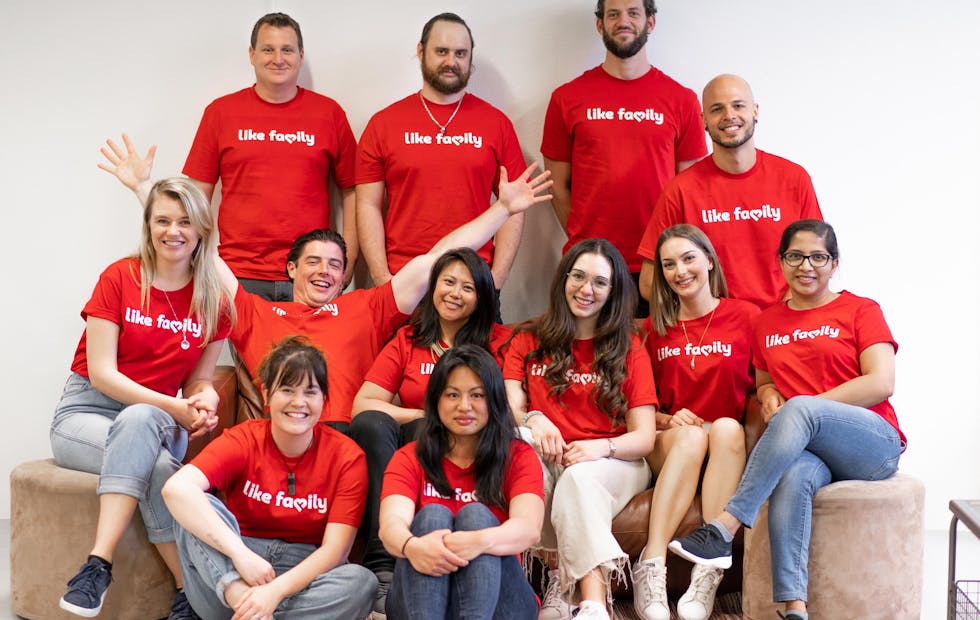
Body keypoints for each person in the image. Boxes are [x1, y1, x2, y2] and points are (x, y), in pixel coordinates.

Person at [99, 135, 552, 430]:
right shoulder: (255, 311)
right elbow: (199, 248)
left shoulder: (367, 306)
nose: (324, 271)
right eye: (312, 261)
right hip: (279, 433)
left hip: (346, 436)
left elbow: (437, 261)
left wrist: (503, 210)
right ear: (290, 269)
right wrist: (145, 190)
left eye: (335, 265)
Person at [669, 220, 906, 620]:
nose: (806, 265)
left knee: (801, 408)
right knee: (793, 475)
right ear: (781, 261)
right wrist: (767, 395)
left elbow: (881, 382)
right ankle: (794, 607)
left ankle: (724, 528)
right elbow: (764, 381)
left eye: (818, 256)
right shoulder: (767, 322)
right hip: (811, 449)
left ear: (834, 264)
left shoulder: (860, 309)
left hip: (871, 443)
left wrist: (803, 407)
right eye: (795, 256)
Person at [50, 178, 232, 619]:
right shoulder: (121, 277)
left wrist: (204, 400)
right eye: (162, 220)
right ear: (148, 226)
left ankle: (96, 569)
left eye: (185, 221)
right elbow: (102, 373)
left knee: (142, 424)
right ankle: (186, 593)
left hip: (156, 421)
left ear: (202, 229)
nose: (173, 231)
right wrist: (172, 407)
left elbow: (199, 380)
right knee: (157, 467)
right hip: (85, 414)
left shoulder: (214, 299)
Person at [162, 336, 376, 619]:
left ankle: (255, 613)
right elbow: (175, 489)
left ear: (324, 400)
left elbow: (335, 551)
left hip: (302, 576)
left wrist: (271, 595)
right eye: (287, 389)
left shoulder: (348, 457)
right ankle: (246, 606)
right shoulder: (245, 439)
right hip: (231, 574)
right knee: (194, 506)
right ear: (266, 395)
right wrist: (240, 557)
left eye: (310, 392)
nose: (298, 402)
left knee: (362, 583)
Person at [349, 248, 512, 617]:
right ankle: (383, 563)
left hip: (470, 451)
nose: (454, 293)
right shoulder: (409, 339)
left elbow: (505, 409)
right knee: (372, 424)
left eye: (467, 287)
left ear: (482, 295)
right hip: (410, 455)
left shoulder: (498, 342)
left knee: (424, 427)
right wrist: (426, 415)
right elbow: (365, 403)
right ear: (433, 286)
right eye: (447, 282)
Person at [502, 239, 657, 620]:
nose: (586, 290)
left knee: (578, 479)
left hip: (614, 461)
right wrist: (534, 419)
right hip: (552, 456)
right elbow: (508, 407)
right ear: (564, 279)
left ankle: (592, 604)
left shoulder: (630, 347)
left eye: (600, 283)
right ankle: (560, 578)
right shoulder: (528, 339)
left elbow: (643, 437)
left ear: (614, 291)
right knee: (519, 446)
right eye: (578, 277)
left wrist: (599, 449)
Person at [541, 0, 707, 317]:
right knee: (588, 364)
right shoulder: (567, 99)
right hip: (590, 267)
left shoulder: (682, 100)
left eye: (633, 13)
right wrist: (585, 239)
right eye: (613, 14)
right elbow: (557, 187)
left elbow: (691, 191)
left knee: (655, 365)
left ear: (651, 22)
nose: (623, 21)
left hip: (659, 267)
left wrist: (671, 254)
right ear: (600, 24)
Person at [183, 12, 359, 299]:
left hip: (312, 272)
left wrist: (347, 261)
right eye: (268, 49)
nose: (278, 59)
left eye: (287, 50)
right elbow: (195, 197)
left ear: (300, 56)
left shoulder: (329, 114)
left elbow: (353, 191)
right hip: (239, 275)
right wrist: (195, 262)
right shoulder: (220, 113)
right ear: (252, 55)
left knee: (312, 347)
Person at [632, 225, 759, 620]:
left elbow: (765, 385)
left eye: (688, 258)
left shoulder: (746, 316)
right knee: (689, 437)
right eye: (668, 264)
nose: (679, 271)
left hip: (724, 445)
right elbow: (635, 404)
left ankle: (707, 574)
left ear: (708, 260)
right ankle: (650, 566)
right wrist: (669, 419)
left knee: (727, 427)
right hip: (670, 442)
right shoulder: (654, 329)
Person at [356, 12, 527, 300]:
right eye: (442, 51)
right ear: (421, 51)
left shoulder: (497, 124)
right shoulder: (384, 124)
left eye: (461, 53)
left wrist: (497, 278)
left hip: (472, 281)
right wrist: (382, 278)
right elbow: (367, 205)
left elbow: (514, 206)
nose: (451, 62)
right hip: (404, 280)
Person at [378, 344, 544, 619]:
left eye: (477, 395)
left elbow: (528, 530)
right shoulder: (410, 457)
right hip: (420, 598)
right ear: (436, 400)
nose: (464, 406)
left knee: (477, 515)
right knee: (431, 517)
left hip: (503, 602)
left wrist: (478, 541)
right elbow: (391, 527)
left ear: (493, 399)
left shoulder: (517, 455)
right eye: (452, 394)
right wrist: (413, 547)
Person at [638, 74, 822, 309]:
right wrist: (699, 317)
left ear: (755, 111)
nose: (729, 116)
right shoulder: (681, 190)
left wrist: (783, 315)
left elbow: (817, 262)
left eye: (738, 105)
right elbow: (647, 282)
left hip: (783, 323)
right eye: (717, 109)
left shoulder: (794, 179)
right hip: (716, 332)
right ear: (703, 120)